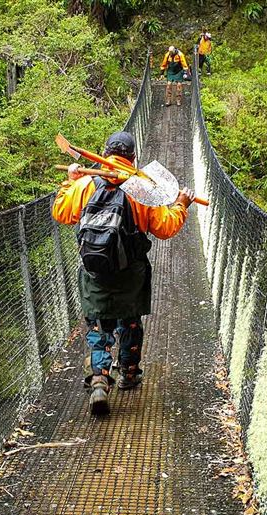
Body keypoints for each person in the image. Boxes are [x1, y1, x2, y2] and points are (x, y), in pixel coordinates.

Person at [52, 131, 194, 416]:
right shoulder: (142, 188)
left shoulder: (85, 184)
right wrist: (180, 204)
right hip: (131, 273)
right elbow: (165, 228)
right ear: (133, 158)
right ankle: (128, 373)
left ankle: (100, 380)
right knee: (129, 323)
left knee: (98, 326)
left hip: (95, 273)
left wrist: (70, 182)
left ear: (105, 154)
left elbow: (61, 213)